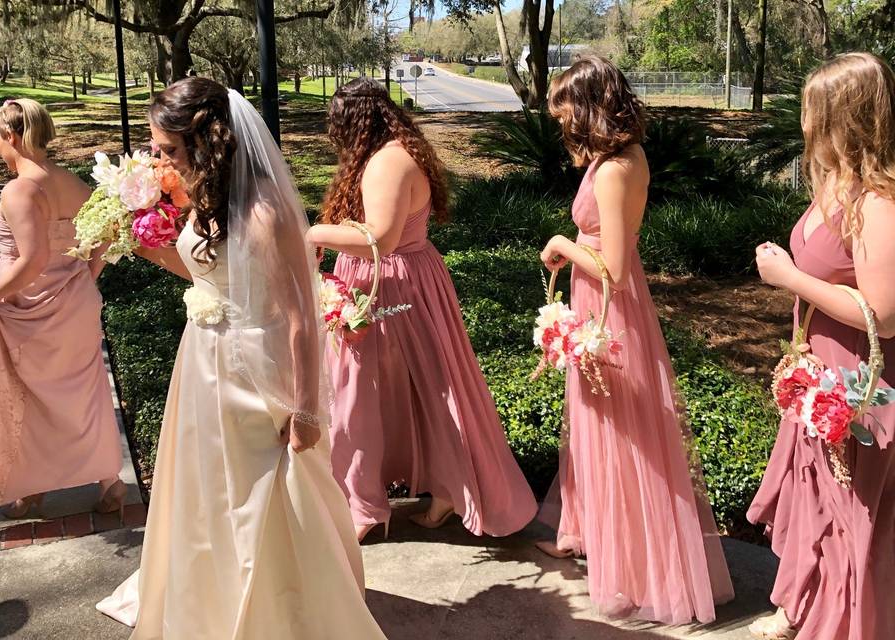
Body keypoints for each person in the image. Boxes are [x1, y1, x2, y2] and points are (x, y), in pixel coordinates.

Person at [96, 77, 386, 640]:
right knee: (206, 491)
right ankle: (211, 599)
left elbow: (301, 317)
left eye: (169, 150)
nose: (160, 162)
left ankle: (288, 614)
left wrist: (305, 410)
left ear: (206, 141)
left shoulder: (263, 212)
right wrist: (144, 246)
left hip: (254, 368)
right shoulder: (206, 198)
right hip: (201, 361)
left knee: (267, 494)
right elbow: (210, 274)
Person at [536, 56, 734, 624]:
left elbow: (615, 267)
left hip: (611, 310)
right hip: (598, 305)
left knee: (622, 429)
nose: (561, 122)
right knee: (594, 424)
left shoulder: (617, 167)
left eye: (566, 109)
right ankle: (591, 534)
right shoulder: (612, 156)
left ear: (590, 106)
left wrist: (562, 244)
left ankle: (637, 561)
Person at [306, 77, 537, 542]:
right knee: (422, 389)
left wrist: (312, 234)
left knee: (360, 394)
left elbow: (382, 238)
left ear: (354, 123)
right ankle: (443, 488)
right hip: (407, 277)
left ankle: (365, 506)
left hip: (386, 285)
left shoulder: (387, 162)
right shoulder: (397, 152)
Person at [747, 52, 895, 640]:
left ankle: (845, 623)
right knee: (816, 497)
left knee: (848, 508)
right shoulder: (836, 182)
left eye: (814, 109)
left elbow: (882, 316)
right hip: (819, 371)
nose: (804, 121)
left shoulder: (878, 203)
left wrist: (789, 278)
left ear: (846, 114)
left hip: (857, 382)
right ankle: (802, 607)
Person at [0, 98, 124, 522]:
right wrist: (87, 274)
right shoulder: (72, 181)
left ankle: (31, 490)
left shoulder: (20, 188)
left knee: (24, 396)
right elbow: (109, 230)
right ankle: (109, 482)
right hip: (75, 300)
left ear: (11, 136)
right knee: (84, 392)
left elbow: (30, 260)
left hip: (28, 308)